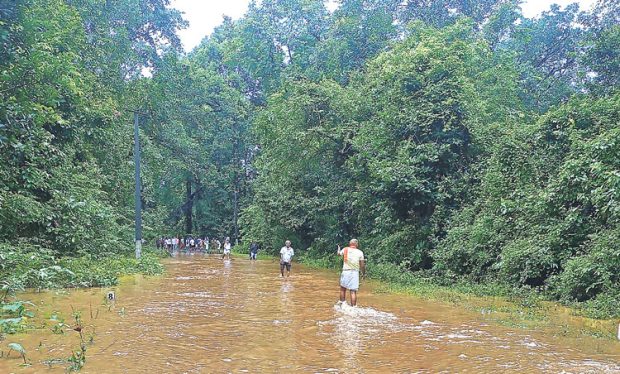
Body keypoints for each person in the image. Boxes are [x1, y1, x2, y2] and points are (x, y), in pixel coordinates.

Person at [337, 239, 366, 307]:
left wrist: (338, 249)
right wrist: (363, 274)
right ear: (356, 244)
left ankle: (342, 304)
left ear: (350, 244)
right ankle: (353, 307)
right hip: (354, 273)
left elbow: (338, 254)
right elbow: (362, 265)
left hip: (345, 271)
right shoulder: (360, 252)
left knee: (343, 289)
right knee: (353, 291)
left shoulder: (345, 249)